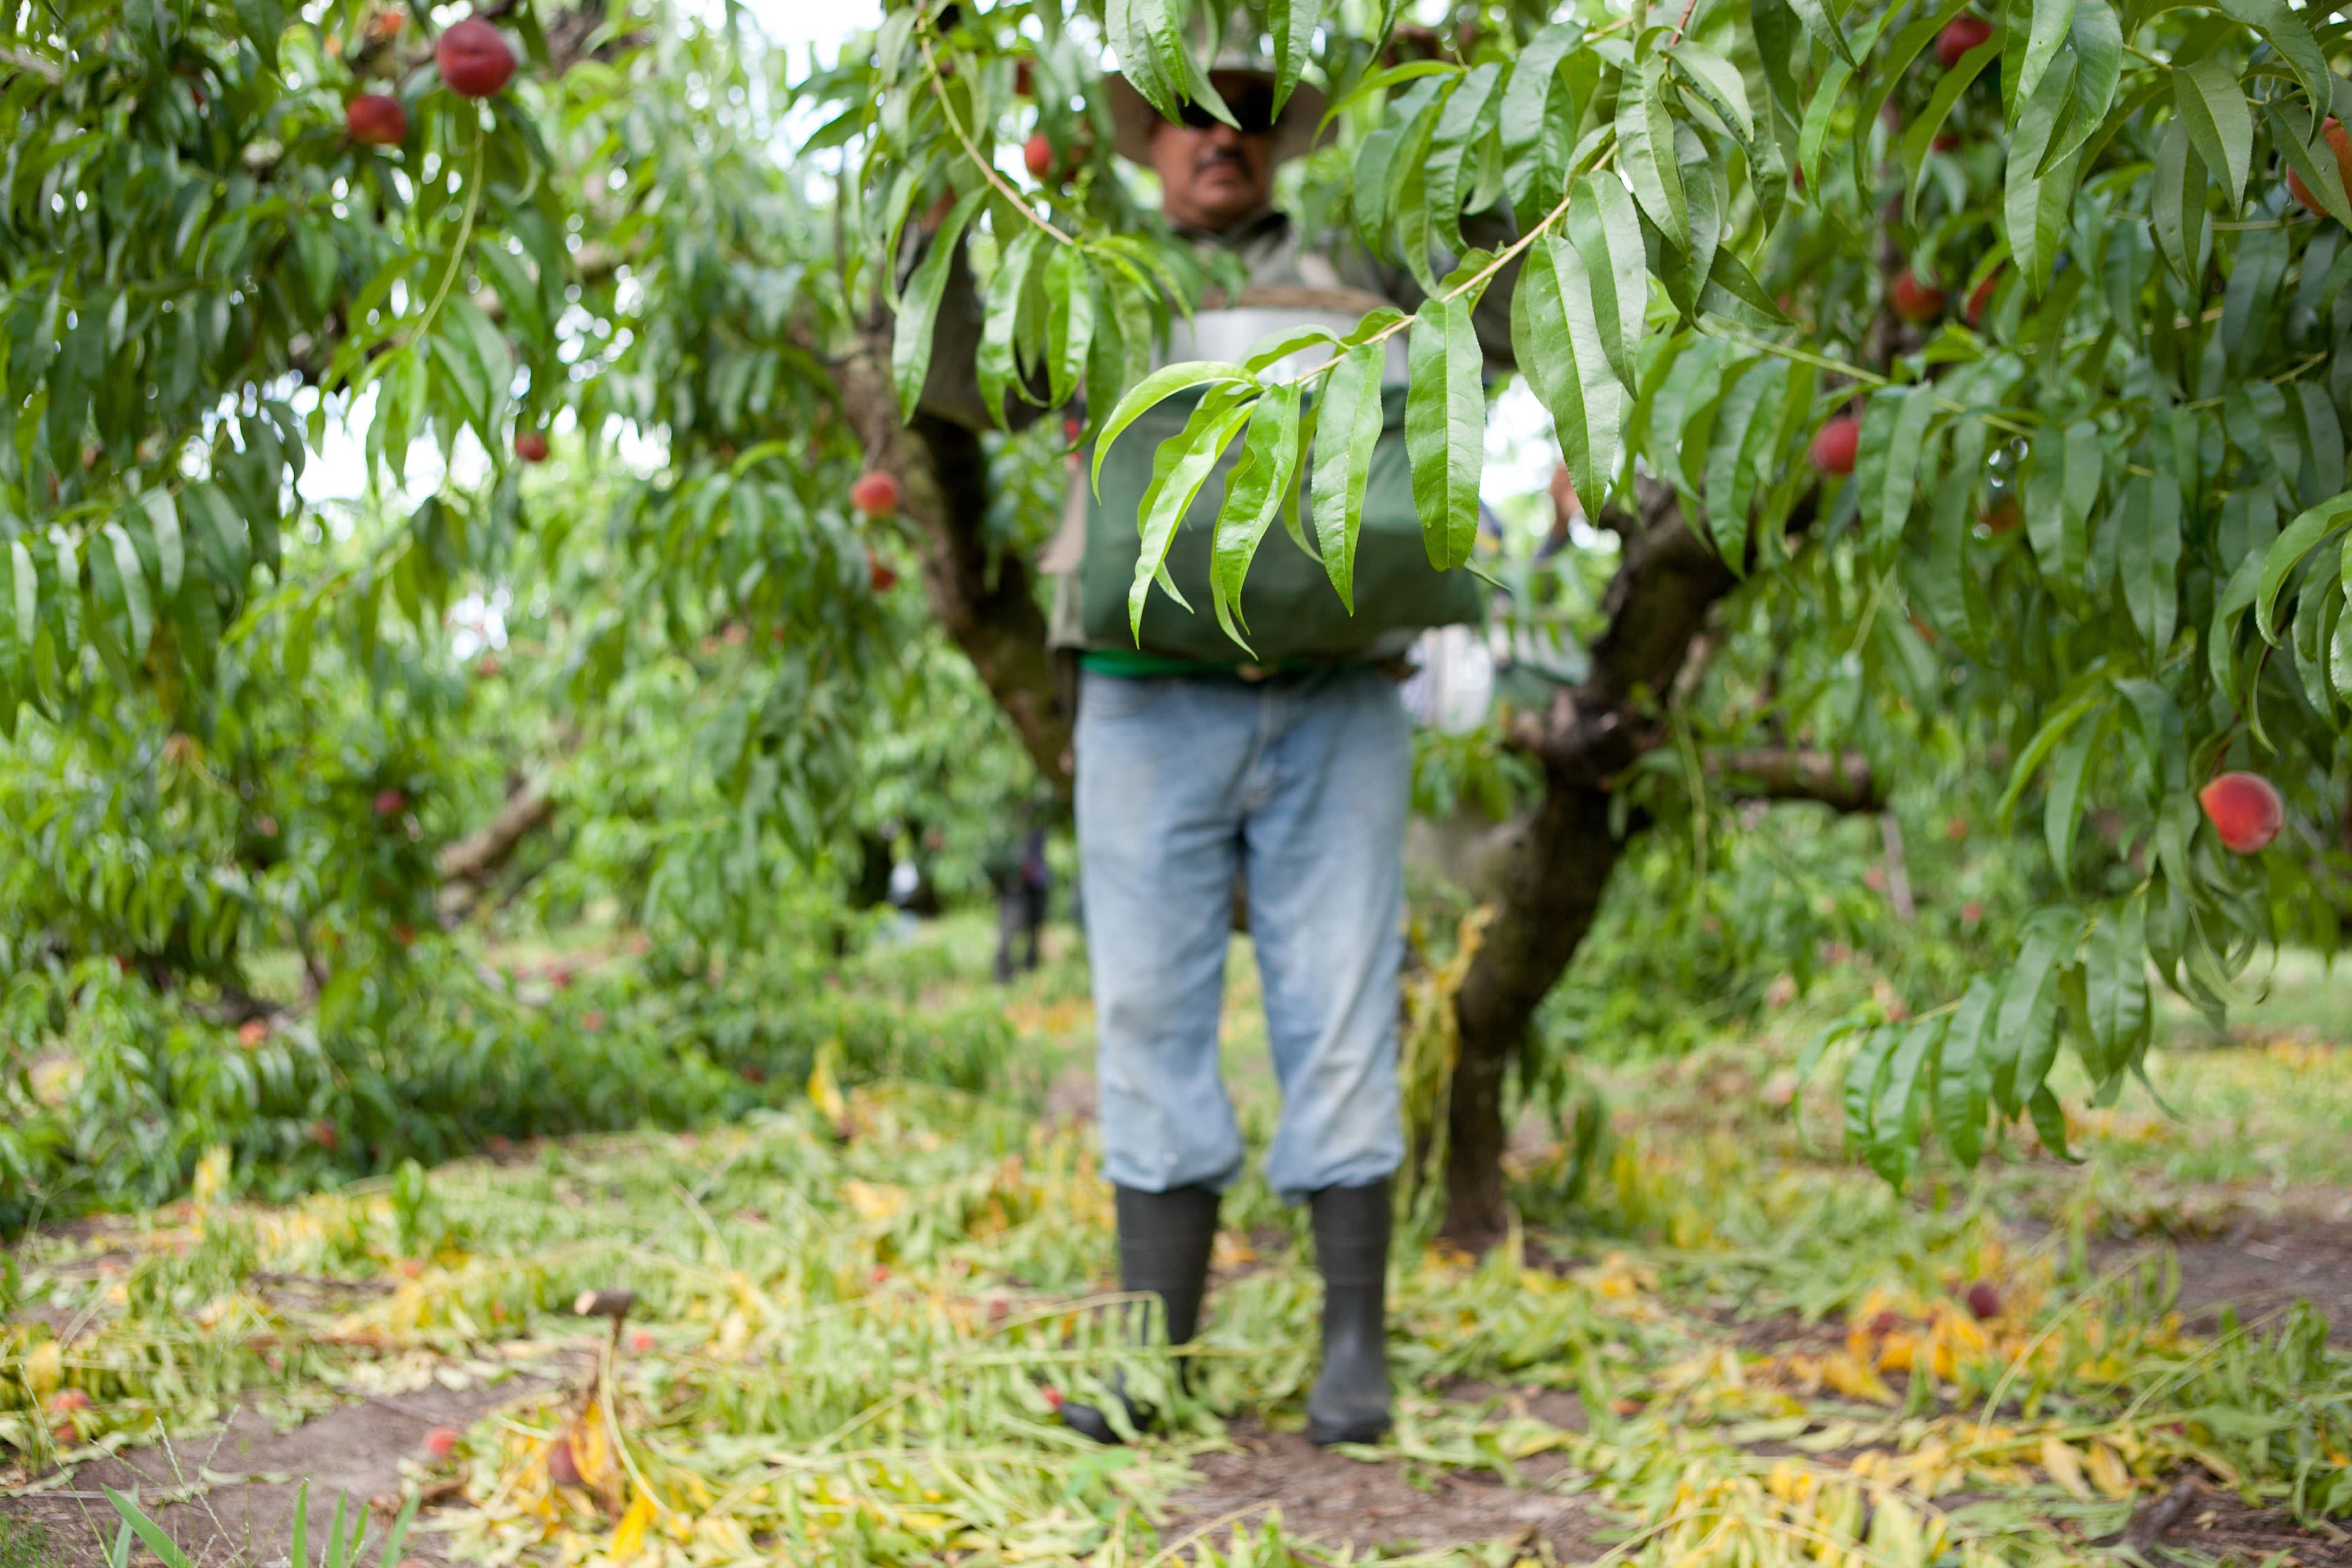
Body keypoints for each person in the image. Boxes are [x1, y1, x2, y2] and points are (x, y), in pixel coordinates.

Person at [914, 43, 1516, 1448]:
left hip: (1336, 691)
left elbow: (1500, 314)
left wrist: (1458, 122)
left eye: (1245, 114)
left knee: (1339, 1004)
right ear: (1144, 145)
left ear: (1280, 140)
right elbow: (957, 381)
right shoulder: (1096, 281)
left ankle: (1351, 1347)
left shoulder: (1364, 268)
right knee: (1146, 1014)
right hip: (1140, 693)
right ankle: (1153, 1358)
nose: (1218, 136)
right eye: (1187, 115)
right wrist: (932, 187)